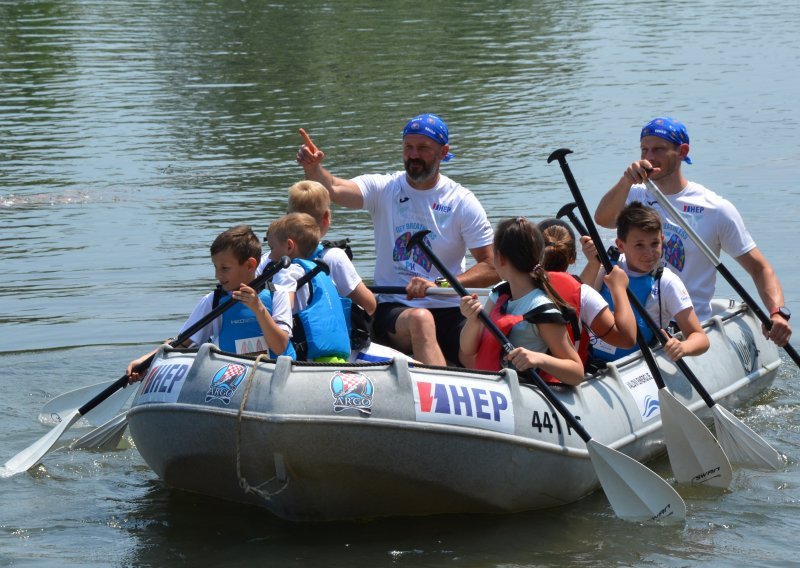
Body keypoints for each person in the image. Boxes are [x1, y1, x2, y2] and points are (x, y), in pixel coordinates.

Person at [296, 113, 498, 366]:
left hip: (450, 307)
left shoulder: (462, 201)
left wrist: (441, 284)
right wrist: (314, 170)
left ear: (443, 151)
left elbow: (492, 267)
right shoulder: (385, 188)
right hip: (395, 306)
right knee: (421, 319)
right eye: (408, 147)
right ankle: (439, 392)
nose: (413, 155)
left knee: (488, 330)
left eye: (423, 148)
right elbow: (335, 188)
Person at [595, 116, 792, 347]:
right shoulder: (634, 193)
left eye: (658, 149)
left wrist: (777, 312)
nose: (648, 157)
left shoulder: (716, 209)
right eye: (644, 149)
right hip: (635, 318)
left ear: (682, 151)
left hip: (687, 327)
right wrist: (625, 180)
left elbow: (759, 268)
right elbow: (602, 219)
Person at [126, 225, 294, 381]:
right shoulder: (213, 301)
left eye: (224, 268)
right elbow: (181, 343)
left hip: (275, 378)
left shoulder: (277, 295)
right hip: (235, 382)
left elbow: (279, 347)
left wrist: (259, 309)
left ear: (250, 265)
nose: (217, 275)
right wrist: (145, 361)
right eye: (215, 267)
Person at [458, 217, 585, 385]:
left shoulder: (542, 310)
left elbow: (576, 372)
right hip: (494, 390)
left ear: (500, 259)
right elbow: (467, 349)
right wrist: (473, 320)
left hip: (525, 395)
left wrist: (538, 359)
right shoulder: (498, 294)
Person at [591, 202, 709, 363]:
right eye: (639, 245)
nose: (649, 253)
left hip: (635, 366)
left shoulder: (667, 282)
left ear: (662, 240)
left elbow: (700, 338)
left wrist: (683, 347)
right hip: (591, 360)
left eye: (654, 244)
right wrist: (592, 262)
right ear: (620, 245)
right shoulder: (607, 267)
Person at [538, 218, 637, 370]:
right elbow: (627, 339)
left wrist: (593, 264)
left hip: (522, 380)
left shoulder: (507, 287)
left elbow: (571, 294)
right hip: (567, 381)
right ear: (572, 258)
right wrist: (619, 288)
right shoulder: (583, 294)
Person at [266, 212, 351, 362]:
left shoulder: (287, 271)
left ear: (289, 246)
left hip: (306, 362)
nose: (270, 256)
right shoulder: (318, 272)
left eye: (272, 248)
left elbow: (284, 307)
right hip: (335, 359)